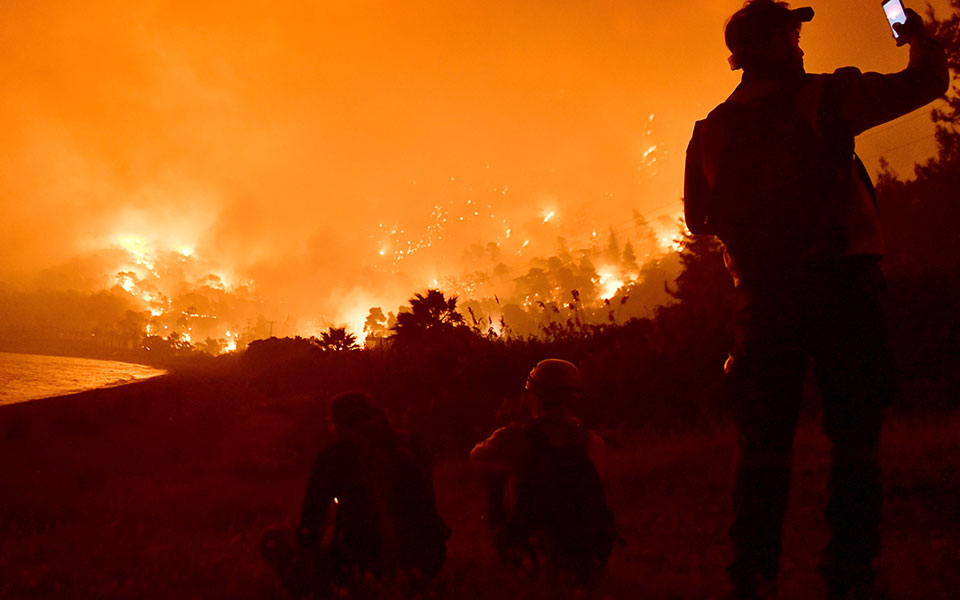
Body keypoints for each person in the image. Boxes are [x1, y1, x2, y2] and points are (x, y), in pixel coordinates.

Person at [683, 2, 949, 599]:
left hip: (761, 300)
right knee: (855, 435)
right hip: (841, 288)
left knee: (762, 444)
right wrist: (915, 35)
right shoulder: (827, 98)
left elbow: (699, 221)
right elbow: (928, 83)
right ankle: (849, 572)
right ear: (773, 44)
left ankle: (752, 574)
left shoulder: (710, 129)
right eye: (792, 32)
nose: (801, 40)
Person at [261, 391, 450, 598]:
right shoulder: (411, 443)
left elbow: (309, 528)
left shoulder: (335, 454)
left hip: (370, 562)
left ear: (337, 424)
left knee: (273, 540)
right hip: (429, 558)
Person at [470, 359, 616, 586]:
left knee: (495, 474)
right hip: (582, 546)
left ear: (534, 396)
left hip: (530, 541)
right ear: (573, 398)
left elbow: (476, 457)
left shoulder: (516, 437)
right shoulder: (592, 442)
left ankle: (507, 549)